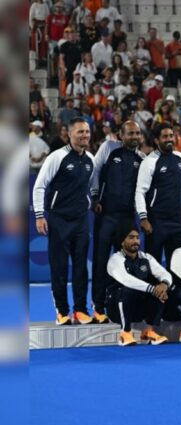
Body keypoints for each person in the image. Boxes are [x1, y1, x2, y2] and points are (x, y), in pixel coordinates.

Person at [33, 118, 101, 325]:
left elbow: (91, 186)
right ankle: (62, 311)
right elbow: (39, 186)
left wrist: (91, 201)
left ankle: (80, 310)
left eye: (87, 132)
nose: (85, 135)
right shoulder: (57, 157)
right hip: (58, 219)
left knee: (81, 267)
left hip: (80, 220)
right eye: (80, 132)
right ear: (69, 134)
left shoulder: (90, 159)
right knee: (60, 267)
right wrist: (39, 215)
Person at [106, 225, 181, 346]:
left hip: (138, 309)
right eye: (131, 237)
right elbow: (126, 280)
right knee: (126, 289)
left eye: (137, 237)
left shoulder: (146, 258)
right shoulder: (115, 259)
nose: (135, 241)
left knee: (167, 289)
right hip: (116, 310)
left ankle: (149, 331)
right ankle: (125, 333)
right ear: (122, 241)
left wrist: (164, 285)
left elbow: (164, 274)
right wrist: (152, 289)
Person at [89, 121, 144, 322]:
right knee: (101, 261)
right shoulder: (108, 148)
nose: (134, 137)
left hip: (128, 217)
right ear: (121, 134)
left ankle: (124, 304)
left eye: (137, 133)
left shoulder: (142, 158)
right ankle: (98, 305)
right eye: (130, 133)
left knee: (128, 261)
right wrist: (95, 196)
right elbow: (94, 172)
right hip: (107, 215)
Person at [135, 123, 181, 265]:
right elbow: (140, 191)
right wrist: (143, 218)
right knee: (153, 265)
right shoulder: (149, 161)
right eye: (165, 136)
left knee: (178, 266)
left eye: (171, 136)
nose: (169, 139)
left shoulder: (180, 158)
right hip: (156, 222)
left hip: (178, 221)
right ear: (157, 140)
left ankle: (176, 288)